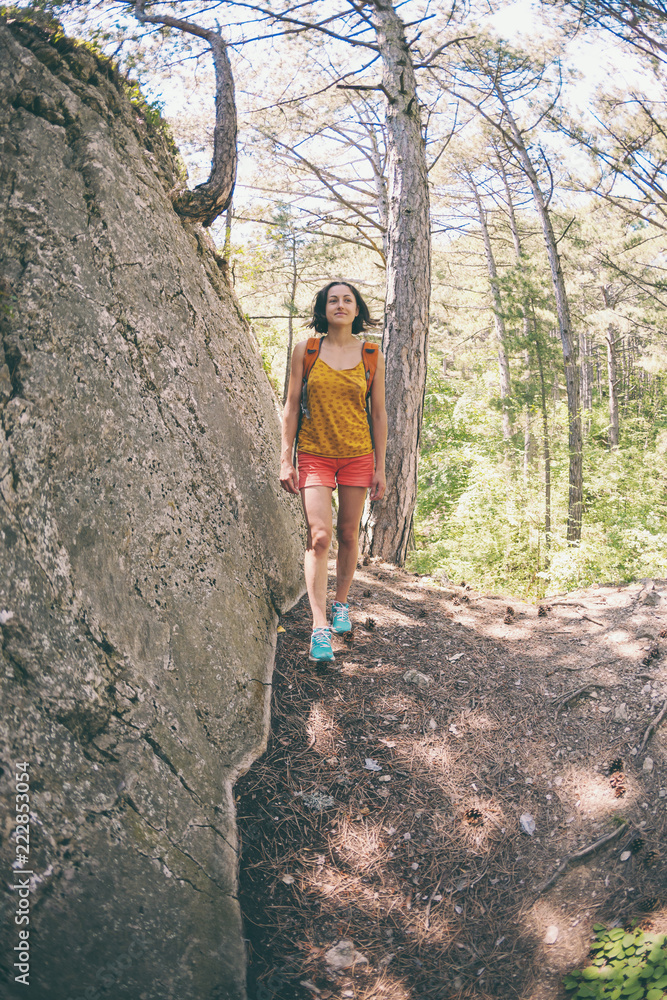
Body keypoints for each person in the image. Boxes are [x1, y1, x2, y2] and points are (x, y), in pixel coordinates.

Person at [280, 281, 387, 663]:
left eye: (347, 300)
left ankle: (341, 603)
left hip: (358, 456)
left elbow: (378, 414)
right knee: (320, 536)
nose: (340, 305)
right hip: (314, 455)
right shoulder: (306, 350)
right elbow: (292, 405)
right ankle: (320, 626)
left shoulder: (371, 354)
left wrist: (380, 466)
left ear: (357, 310)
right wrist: (285, 458)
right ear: (323, 309)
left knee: (348, 533)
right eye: (333, 300)